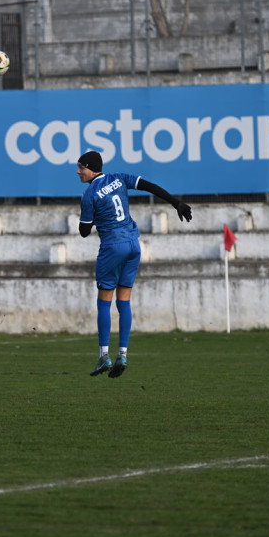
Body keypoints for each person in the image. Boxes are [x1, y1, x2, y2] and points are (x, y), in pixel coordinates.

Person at [76, 150, 193, 378]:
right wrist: (175, 202)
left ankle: (103, 356)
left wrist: (89, 216)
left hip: (112, 247)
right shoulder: (119, 177)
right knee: (124, 301)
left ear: (91, 169)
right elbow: (149, 186)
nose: (78, 171)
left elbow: (83, 231)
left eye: (81, 167)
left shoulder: (89, 193)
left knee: (103, 302)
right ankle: (123, 354)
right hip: (133, 245)